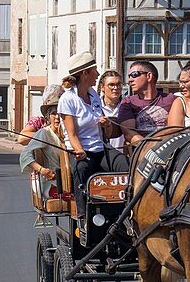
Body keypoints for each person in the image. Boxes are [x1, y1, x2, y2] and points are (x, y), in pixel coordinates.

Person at [58, 51, 106, 220]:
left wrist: (105, 122)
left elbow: (98, 121)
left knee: (124, 166)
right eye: (95, 70)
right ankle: (83, 216)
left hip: (100, 148)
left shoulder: (94, 95)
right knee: (82, 169)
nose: (98, 74)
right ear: (85, 73)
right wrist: (80, 151)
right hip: (82, 151)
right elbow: (72, 133)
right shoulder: (68, 99)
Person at [20, 92, 64, 226]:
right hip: (55, 183)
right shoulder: (44, 133)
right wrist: (42, 170)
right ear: (48, 117)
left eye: (61, 113)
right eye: (54, 113)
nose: (57, 117)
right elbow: (25, 155)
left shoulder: (72, 133)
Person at [117, 60, 177, 145]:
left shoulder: (172, 99)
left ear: (149, 76)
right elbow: (129, 133)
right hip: (142, 150)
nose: (130, 80)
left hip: (169, 148)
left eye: (134, 75)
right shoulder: (128, 102)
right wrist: (150, 148)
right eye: (129, 76)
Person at [97, 69, 127, 169]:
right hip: (102, 158)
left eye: (118, 84)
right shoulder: (95, 108)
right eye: (111, 85)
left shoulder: (127, 107)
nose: (115, 88)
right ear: (102, 87)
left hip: (124, 158)